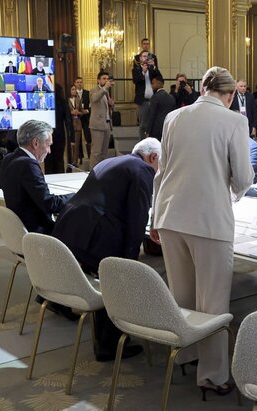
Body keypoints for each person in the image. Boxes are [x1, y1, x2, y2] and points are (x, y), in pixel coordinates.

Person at [150, 66, 254, 396]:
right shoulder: (234, 120)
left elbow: (161, 173)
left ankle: (186, 355)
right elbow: (243, 177)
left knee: (181, 294)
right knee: (213, 302)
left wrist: (154, 217)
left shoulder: (174, 117)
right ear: (231, 95)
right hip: (209, 220)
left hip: (170, 216)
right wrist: (232, 191)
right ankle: (212, 374)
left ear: (202, 89)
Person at [52, 138, 161, 361]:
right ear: (153, 157)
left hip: (71, 229)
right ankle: (109, 346)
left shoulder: (112, 161)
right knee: (117, 280)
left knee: (107, 277)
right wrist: (129, 261)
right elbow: (137, 218)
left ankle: (107, 339)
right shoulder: (143, 170)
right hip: (95, 235)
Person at [0, 120, 74, 233]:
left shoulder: (8, 159)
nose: (49, 151)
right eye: (48, 145)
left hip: (19, 229)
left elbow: (1, 184)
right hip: (38, 233)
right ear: (36, 143)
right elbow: (50, 204)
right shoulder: (28, 165)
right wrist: (77, 195)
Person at [132, 50, 162, 139]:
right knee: (143, 125)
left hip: (154, 100)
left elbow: (161, 80)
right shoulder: (136, 69)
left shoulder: (152, 69)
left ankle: (152, 143)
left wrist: (155, 67)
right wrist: (143, 72)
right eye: (144, 56)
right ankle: (142, 143)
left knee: (154, 123)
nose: (146, 58)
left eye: (148, 56)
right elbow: (136, 81)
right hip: (143, 101)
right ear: (140, 58)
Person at [89, 71, 115, 168]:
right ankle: (93, 173)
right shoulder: (94, 90)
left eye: (107, 79)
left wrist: (112, 104)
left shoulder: (107, 92)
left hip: (107, 124)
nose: (106, 81)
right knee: (96, 152)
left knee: (104, 153)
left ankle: (101, 172)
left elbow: (107, 108)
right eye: (104, 79)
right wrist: (104, 88)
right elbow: (94, 99)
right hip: (97, 125)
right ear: (98, 80)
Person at [146, 74, 176, 140]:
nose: (151, 85)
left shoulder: (155, 97)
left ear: (158, 83)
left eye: (153, 83)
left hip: (156, 130)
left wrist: (148, 131)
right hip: (168, 127)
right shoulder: (171, 97)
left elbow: (152, 115)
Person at [74, 77, 92, 160]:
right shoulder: (73, 93)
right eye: (78, 82)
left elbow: (92, 105)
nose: (79, 84)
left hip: (86, 119)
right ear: (75, 83)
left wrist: (87, 111)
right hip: (76, 119)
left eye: (81, 82)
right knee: (78, 139)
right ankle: (80, 157)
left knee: (88, 137)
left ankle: (90, 157)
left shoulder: (88, 93)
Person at [68, 85, 84, 164]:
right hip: (69, 124)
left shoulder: (78, 99)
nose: (74, 91)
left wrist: (78, 112)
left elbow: (82, 112)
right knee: (70, 144)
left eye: (75, 89)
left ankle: (75, 161)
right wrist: (71, 112)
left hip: (77, 123)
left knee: (77, 143)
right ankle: (70, 160)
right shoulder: (66, 100)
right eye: (72, 89)